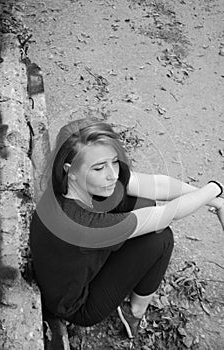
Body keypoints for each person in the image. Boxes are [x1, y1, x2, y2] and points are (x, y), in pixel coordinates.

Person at [30, 117, 224, 339]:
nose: (112, 174)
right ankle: (135, 312)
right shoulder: (85, 225)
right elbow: (167, 215)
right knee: (160, 238)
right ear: (70, 169)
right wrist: (214, 187)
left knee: (139, 201)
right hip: (75, 305)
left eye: (114, 161)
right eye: (100, 168)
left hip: (67, 265)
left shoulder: (65, 183)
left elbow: (157, 185)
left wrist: (215, 199)